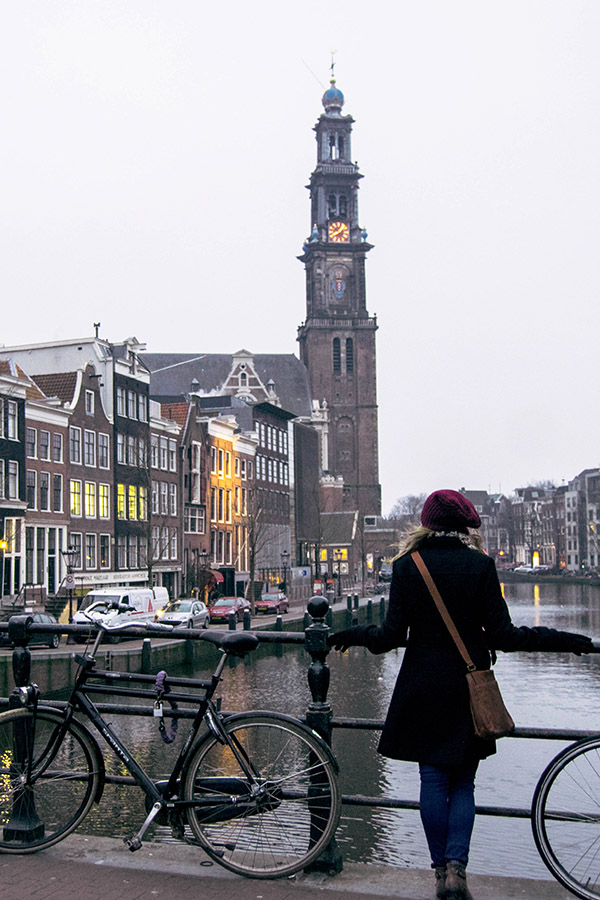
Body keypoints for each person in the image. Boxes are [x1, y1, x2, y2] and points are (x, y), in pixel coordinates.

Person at [328, 489, 593, 900]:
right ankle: (457, 869)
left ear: (427, 522)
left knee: (431, 780)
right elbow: (505, 636)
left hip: (421, 688)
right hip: (468, 689)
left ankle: (439, 874)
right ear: (462, 526)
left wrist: (352, 634)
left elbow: (389, 637)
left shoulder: (407, 566)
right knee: (464, 782)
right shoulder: (481, 566)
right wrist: (563, 640)